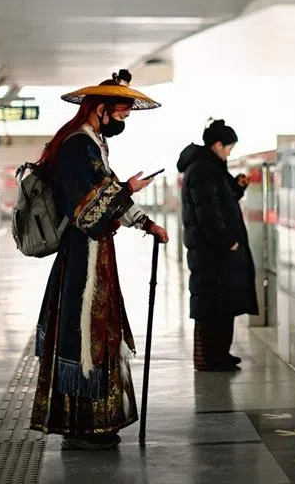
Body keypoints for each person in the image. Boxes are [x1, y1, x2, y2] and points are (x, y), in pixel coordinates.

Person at [29, 69, 170, 450]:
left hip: (90, 254)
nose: (122, 122)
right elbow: (88, 210)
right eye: (121, 115)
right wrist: (127, 189)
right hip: (83, 256)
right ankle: (84, 426)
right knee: (85, 334)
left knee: (93, 332)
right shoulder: (79, 146)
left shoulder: (90, 143)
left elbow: (109, 196)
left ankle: (91, 423)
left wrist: (146, 222)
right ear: (101, 109)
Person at [176, 119, 258, 372]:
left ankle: (219, 353)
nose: (230, 152)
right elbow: (208, 213)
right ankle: (212, 358)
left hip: (212, 251)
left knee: (221, 304)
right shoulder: (204, 169)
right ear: (217, 144)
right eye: (228, 147)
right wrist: (227, 241)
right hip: (214, 251)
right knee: (214, 306)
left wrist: (238, 187)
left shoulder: (208, 167)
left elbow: (218, 199)